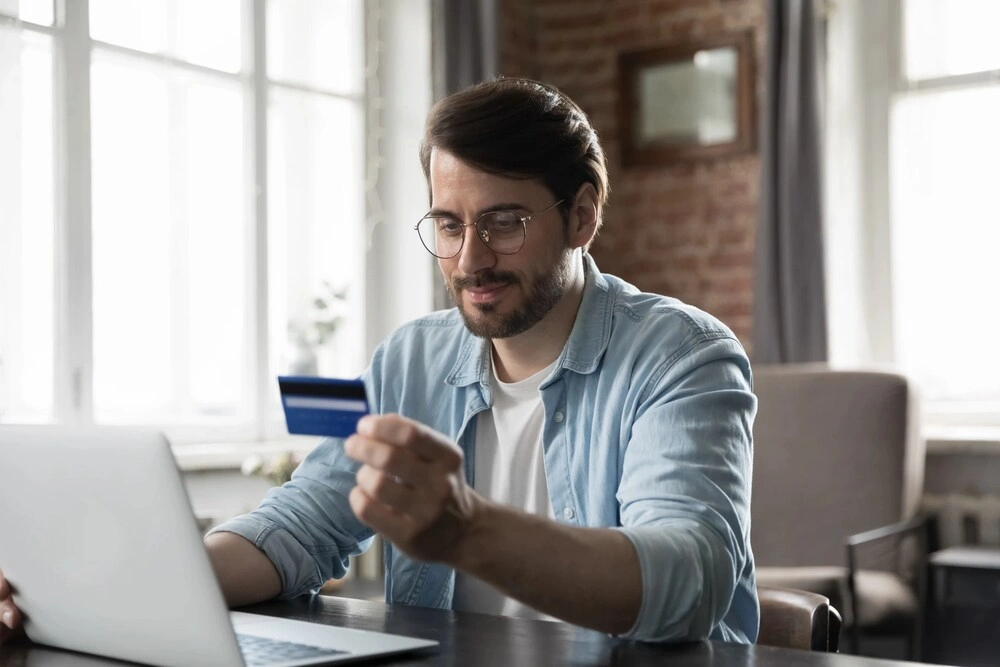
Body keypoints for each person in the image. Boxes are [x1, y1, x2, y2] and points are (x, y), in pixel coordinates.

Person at [0, 78, 757, 644]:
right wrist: (81, 588)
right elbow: (303, 524)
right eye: (449, 224)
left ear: (583, 215)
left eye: (505, 221)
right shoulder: (412, 356)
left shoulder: (684, 357)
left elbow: (685, 580)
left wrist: (466, 529)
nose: (471, 258)